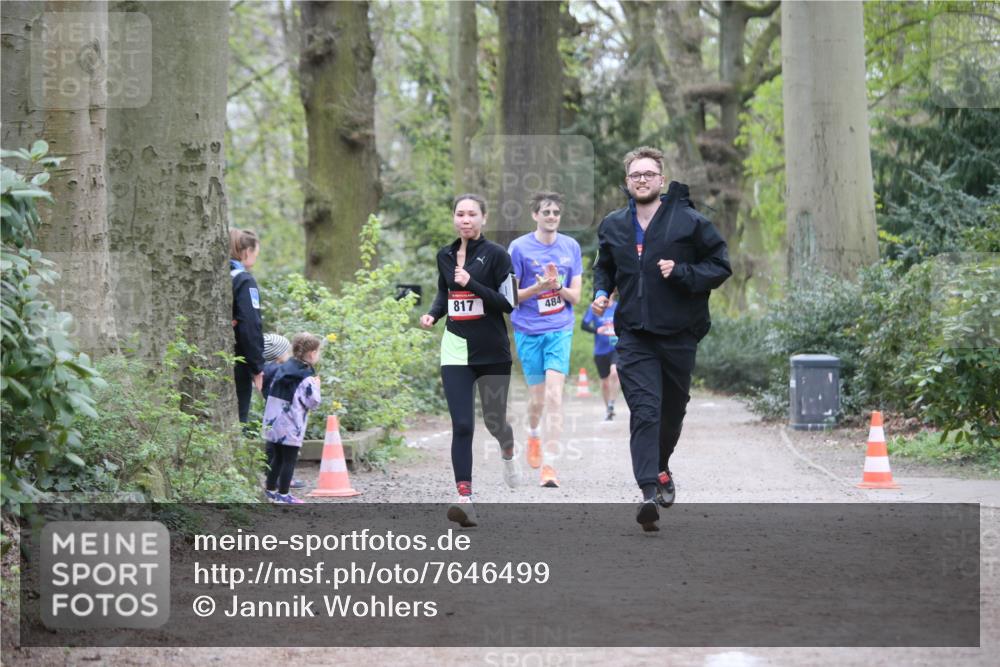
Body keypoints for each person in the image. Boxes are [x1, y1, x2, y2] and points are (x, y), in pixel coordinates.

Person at [591, 146, 731, 531]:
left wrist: (683, 271)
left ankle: (662, 465)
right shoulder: (614, 224)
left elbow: (720, 266)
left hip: (679, 333)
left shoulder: (689, 221)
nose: (641, 180)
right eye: (635, 175)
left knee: (672, 413)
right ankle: (648, 491)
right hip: (634, 334)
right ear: (627, 181)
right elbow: (603, 267)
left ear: (661, 180)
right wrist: (602, 293)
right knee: (645, 410)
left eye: (648, 174)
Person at [420, 194, 519, 527]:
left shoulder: (497, 255)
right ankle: (465, 498)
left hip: (492, 351)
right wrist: (434, 314)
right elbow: (444, 292)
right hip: (455, 348)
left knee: (494, 422)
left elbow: (509, 304)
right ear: (454, 219)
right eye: (460, 214)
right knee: (462, 425)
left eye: (472, 214)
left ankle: (507, 446)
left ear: (483, 219)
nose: (465, 219)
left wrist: (472, 283)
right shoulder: (445, 255)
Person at [508, 191, 583, 487]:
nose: (551, 217)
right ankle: (533, 432)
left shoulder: (571, 247)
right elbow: (510, 297)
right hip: (527, 329)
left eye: (556, 212)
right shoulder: (519, 248)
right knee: (537, 399)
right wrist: (537, 289)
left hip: (559, 328)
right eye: (546, 212)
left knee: (554, 396)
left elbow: (575, 297)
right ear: (535, 215)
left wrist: (558, 286)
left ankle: (549, 466)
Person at [262, 332, 324, 504]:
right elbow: (313, 402)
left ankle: (270, 491)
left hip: (273, 423)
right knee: (289, 460)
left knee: (277, 458)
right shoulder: (306, 376)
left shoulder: (282, 368)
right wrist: (317, 386)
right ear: (312, 354)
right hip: (291, 426)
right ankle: (283, 495)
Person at [230, 228, 265, 428]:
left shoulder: (222, 275)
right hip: (239, 361)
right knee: (238, 420)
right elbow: (250, 324)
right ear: (246, 251)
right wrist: (257, 366)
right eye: (255, 254)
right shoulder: (244, 280)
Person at [581, 292, 620, 421]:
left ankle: (612, 403)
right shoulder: (596, 308)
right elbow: (584, 325)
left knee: (615, 373)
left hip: (616, 348)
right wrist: (597, 330)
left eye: (611, 293)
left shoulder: (619, 307)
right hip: (600, 351)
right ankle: (608, 409)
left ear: (614, 293)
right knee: (604, 383)